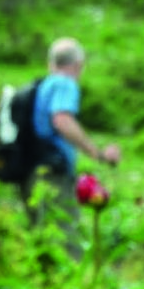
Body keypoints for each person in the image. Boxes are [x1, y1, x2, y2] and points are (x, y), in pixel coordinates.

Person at [20, 38, 121, 245]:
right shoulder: (65, 84)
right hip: (52, 174)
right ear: (78, 65)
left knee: (40, 237)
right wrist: (97, 153)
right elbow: (62, 120)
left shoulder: (43, 85)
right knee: (65, 240)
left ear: (51, 63)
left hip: (29, 170)